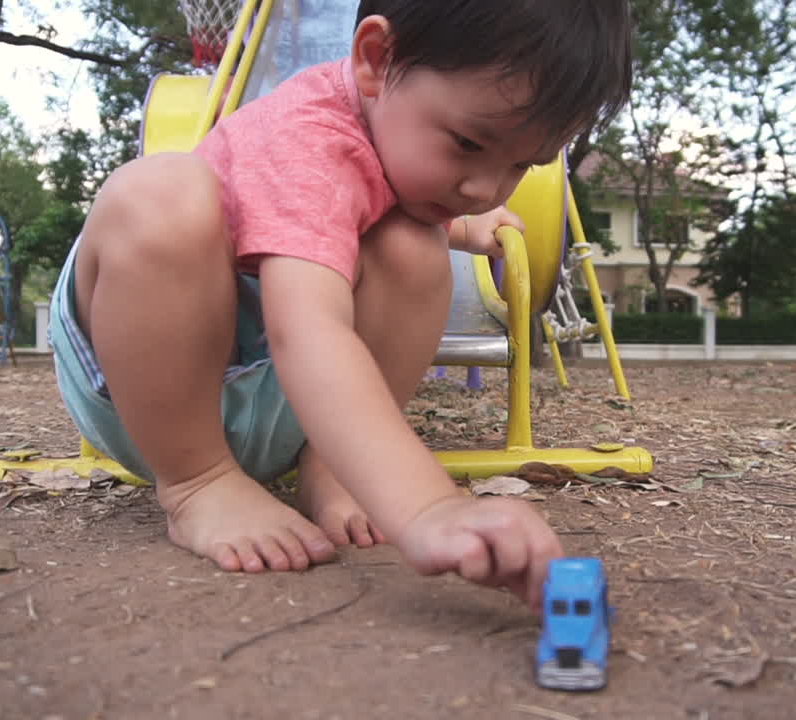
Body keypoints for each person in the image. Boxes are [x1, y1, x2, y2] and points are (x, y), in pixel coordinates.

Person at [48, 0, 632, 610]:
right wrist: (428, 509)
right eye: (466, 143)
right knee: (160, 194)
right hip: (152, 391)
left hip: (283, 397)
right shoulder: (306, 134)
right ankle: (199, 483)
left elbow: (354, 200)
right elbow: (309, 329)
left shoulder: (393, 135)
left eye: (521, 165)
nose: (484, 188)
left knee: (412, 242)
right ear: (376, 59)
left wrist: (461, 228)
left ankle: (333, 469)